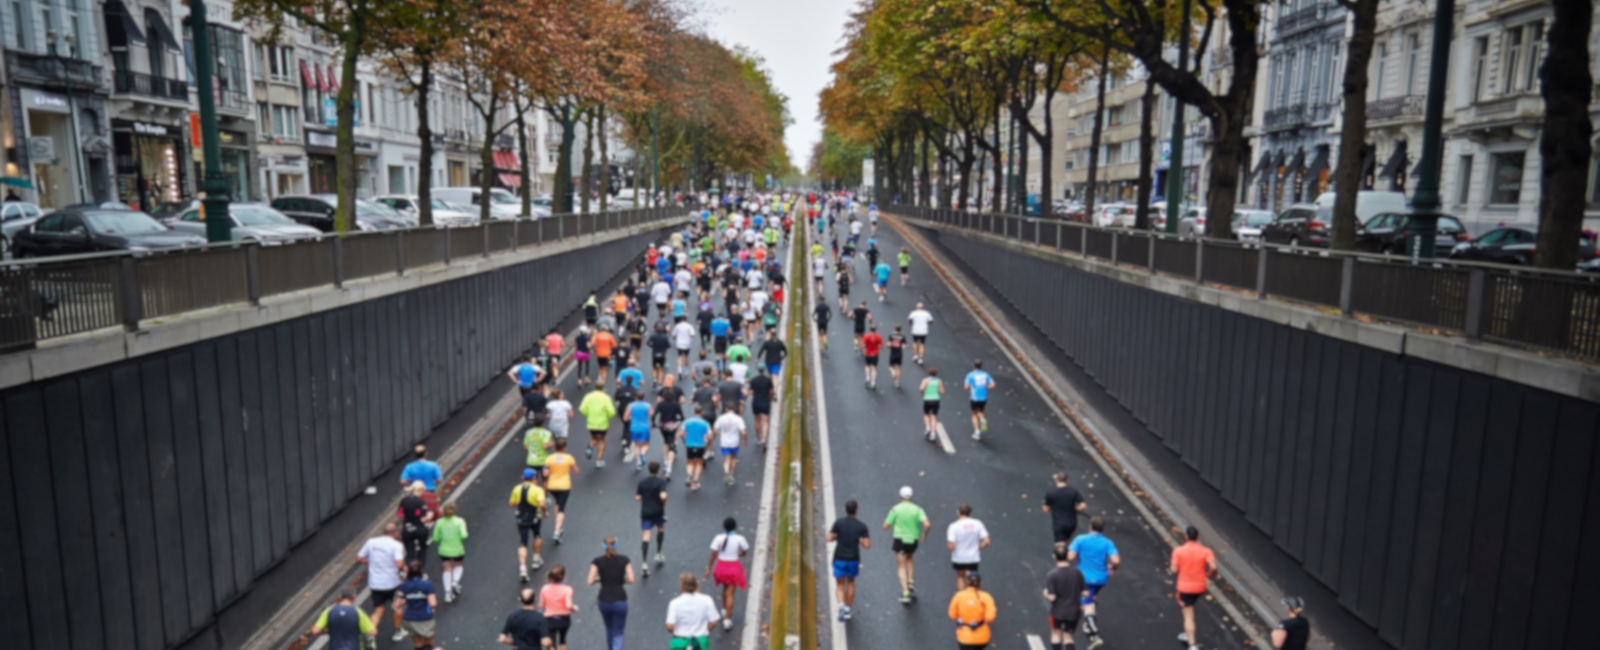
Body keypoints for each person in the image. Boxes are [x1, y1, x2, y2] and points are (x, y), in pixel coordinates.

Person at [1067, 517, 1120, 649]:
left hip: (1084, 578)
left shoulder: (1081, 539)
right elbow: (1116, 560)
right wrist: (1112, 568)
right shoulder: (1108, 542)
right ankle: (1089, 624)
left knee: (1087, 602)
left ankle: (1092, 630)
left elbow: (1070, 557)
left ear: (1090, 527)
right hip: (1101, 578)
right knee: (1092, 597)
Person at [356, 523, 408, 642]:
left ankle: (370, 634)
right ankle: (397, 631)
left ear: (382, 532)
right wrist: (405, 568)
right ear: (395, 533)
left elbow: (358, 558)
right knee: (397, 605)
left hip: (375, 583)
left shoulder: (371, 542)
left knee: (378, 609)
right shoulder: (396, 545)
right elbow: (399, 563)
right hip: (393, 583)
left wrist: (370, 560)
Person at [1170, 526, 1218, 650]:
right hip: (1199, 587)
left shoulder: (1178, 550)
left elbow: (1173, 569)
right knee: (1189, 609)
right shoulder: (1206, 551)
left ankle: (1191, 644)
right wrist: (1209, 574)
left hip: (1185, 588)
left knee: (1187, 614)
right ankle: (1187, 634)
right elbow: (1213, 567)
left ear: (1186, 537)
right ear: (1198, 537)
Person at [883, 486, 931, 604]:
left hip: (900, 539)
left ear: (900, 496)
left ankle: (905, 592)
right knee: (910, 558)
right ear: (911, 496)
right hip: (913, 539)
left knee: (901, 566)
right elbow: (927, 524)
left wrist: (894, 522)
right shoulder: (918, 509)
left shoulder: (895, 509)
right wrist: (924, 534)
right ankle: (910, 581)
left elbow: (885, 526)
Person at [827, 499, 871, 622]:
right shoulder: (861, 526)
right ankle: (847, 608)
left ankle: (840, 605)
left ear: (845, 510)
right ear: (856, 511)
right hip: (853, 559)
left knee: (840, 584)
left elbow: (828, 538)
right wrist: (859, 540)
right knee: (851, 583)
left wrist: (837, 536)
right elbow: (867, 545)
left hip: (839, 558)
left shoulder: (839, 523)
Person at [588, 537, 635, 650]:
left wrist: (600, 579)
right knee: (618, 632)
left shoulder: (597, 561)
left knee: (609, 628)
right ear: (616, 545)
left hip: (604, 599)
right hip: (620, 598)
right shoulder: (624, 560)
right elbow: (631, 579)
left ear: (603, 546)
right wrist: (620, 580)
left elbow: (590, 581)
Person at [705, 517, 750, 630]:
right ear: (735, 527)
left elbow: (713, 555)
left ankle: (724, 610)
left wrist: (709, 568)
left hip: (721, 567)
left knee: (724, 589)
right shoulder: (740, 539)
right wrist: (738, 554)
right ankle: (727, 620)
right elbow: (744, 552)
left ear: (724, 527)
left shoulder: (718, 538)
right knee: (730, 593)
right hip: (733, 568)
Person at [1044, 542, 1090, 650]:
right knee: (1068, 637)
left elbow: (1052, 597)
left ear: (1054, 556)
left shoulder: (1052, 575)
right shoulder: (1077, 573)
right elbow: (1085, 592)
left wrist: (1045, 593)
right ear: (1068, 556)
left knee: (1056, 635)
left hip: (1058, 612)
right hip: (1074, 612)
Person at [302, 588, 375, 650]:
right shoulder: (358, 612)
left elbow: (315, 630)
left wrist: (329, 630)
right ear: (354, 597)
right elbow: (372, 632)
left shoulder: (329, 611)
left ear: (339, 597)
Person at [665, 573, 722, 649]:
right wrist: (705, 630)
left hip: (681, 640)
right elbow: (714, 621)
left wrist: (677, 631)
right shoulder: (707, 600)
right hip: (700, 640)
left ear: (682, 586)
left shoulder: (674, 603)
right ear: (696, 585)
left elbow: (669, 626)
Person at [511, 468, 549, 580]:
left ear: (523, 478)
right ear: (534, 478)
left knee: (523, 542)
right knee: (537, 535)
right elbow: (542, 503)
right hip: (535, 517)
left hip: (521, 518)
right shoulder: (538, 490)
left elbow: (512, 504)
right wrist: (544, 510)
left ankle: (523, 568)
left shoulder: (516, 489)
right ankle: (536, 559)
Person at [947, 572, 997, 650]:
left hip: (964, 638)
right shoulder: (986, 597)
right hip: (982, 638)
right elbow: (990, 617)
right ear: (980, 583)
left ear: (967, 582)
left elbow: (952, 615)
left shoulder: (958, 596)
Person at [636, 461, 670, 575]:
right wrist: (664, 501)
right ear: (658, 470)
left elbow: (637, 497)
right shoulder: (661, 482)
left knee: (646, 536)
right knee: (661, 529)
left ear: (649, 470)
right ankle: (658, 552)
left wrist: (644, 497)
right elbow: (663, 495)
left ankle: (644, 562)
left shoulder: (642, 482)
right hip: (658, 511)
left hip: (645, 512)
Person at [396, 560, 438, 649]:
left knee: (418, 644)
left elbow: (398, 603)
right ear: (421, 571)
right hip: (424, 617)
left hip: (409, 619)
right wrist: (432, 607)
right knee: (428, 643)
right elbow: (433, 602)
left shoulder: (404, 585)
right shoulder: (427, 584)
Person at [432, 502, 468, 602]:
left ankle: (447, 593)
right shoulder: (460, 521)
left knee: (446, 569)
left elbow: (435, 538)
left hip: (444, 550)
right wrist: (459, 538)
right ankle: (455, 581)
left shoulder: (439, 522)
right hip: (457, 549)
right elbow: (464, 535)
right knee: (458, 565)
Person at [398, 481, 436, 565]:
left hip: (407, 529)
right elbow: (423, 518)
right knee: (423, 549)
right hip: (419, 529)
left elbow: (399, 514)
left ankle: (408, 570)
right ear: (420, 490)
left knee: (409, 553)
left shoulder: (404, 500)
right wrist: (430, 515)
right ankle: (419, 570)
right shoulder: (420, 502)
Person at [1043, 473, 1089, 543]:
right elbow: (1083, 505)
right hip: (1071, 523)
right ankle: (1066, 551)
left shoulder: (1051, 493)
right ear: (1067, 481)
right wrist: (1075, 508)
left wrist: (1053, 504)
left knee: (1059, 545)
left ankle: (1061, 553)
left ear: (1056, 481)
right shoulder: (1074, 492)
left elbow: (1045, 509)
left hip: (1059, 524)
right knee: (1066, 540)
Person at [655, 377, 686, 480]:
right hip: (672, 425)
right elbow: (682, 413)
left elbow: (654, 412)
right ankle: (669, 467)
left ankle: (665, 460)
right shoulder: (677, 396)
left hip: (663, 425)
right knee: (672, 445)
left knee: (665, 442)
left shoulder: (661, 401)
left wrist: (654, 423)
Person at [539, 566, 576, 650]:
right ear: (563, 577)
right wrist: (574, 607)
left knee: (551, 642)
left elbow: (541, 605)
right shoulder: (567, 589)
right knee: (562, 640)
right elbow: (569, 605)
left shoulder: (544, 588)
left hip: (550, 620)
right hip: (564, 619)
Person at [579, 384, 617, 467]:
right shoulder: (606, 397)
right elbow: (612, 412)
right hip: (602, 423)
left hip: (591, 423)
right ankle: (598, 461)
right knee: (601, 440)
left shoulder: (588, 396)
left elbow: (582, 409)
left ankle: (590, 447)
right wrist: (608, 417)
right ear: (603, 388)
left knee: (594, 437)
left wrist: (588, 414)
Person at [682, 404, 713, 491]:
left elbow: (681, 433)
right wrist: (706, 439)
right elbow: (710, 437)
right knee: (699, 463)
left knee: (690, 462)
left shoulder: (687, 421)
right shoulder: (705, 423)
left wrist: (684, 441)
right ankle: (694, 483)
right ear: (702, 413)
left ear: (694, 412)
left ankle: (689, 476)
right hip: (700, 445)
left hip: (689, 445)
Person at [715, 404, 747, 485]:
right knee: (733, 458)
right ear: (735, 409)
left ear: (726, 409)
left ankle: (726, 471)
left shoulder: (721, 418)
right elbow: (743, 432)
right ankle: (731, 475)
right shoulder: (738, 418)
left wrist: (721, 434)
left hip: (724, 442)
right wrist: (745, 440)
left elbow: (715, 430)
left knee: (726, 459)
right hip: (734, 442)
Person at [964, 360, 995, 440]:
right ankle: (982, 419)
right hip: (984, 397)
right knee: (980, 411)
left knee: (974, 414)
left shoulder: (970, 375)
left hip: (974, 397)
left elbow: (966, 387)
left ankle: (977, 432)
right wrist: (986, 387)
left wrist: (969, 387)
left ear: (974, 366)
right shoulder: (986, 375)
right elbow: (993, 384)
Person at [746, 367, 776, 448]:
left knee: (757, 419)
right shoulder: (768, 380)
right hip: (765, 402)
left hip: (756, 402)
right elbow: (771, 391)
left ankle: (758, 438)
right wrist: (772, 397)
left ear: (758, 370)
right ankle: (764, 439)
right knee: (765, 421)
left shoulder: (754, 380)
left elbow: (751, 392)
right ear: (764, 370)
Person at [624, 394, 654, 472]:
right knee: (646, 445)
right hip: (644, 427)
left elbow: (625, 418)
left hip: (634, 428)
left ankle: (638, 462)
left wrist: (631, 417)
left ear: (635, 397)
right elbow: (652, 414)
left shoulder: (630, 405)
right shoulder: (647, 405)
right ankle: (643, 453)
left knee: (637, 445)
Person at [919, 368, 945, 443]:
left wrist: (923, 394)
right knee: (934, 417)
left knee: (926, 414)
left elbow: (921, 388)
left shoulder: (926, 380)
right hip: (936, 400)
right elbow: (942, 391)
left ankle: (927, 427)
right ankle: (933, 434)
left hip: (927, 399)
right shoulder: (939, 381)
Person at [861, 324, 883, 389]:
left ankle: (867, 377)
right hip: (875, 354)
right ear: (876, 329)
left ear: (870, 329)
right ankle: (873, 382)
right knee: (874, 368)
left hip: (868, 354)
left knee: (867, 365)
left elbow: (863, 346)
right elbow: (881, 346)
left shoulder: (866, 336)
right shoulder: (879, 337)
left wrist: (863, 350)